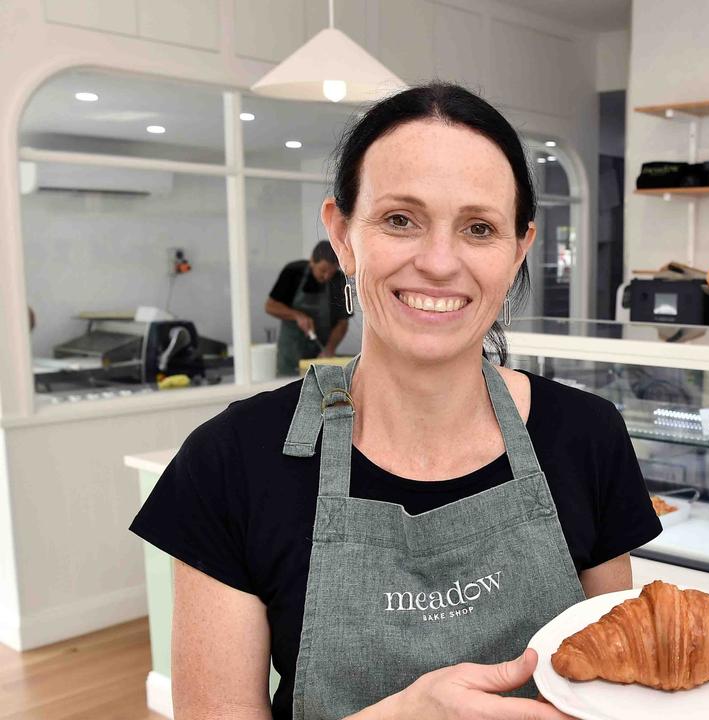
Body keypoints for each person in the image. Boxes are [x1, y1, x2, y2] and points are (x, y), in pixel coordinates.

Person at [130, 83, 662, 720]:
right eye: (400, 220)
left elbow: (620, 692)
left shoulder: (587, 436)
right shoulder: (231, 461)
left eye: (479, 228)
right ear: (343, 235)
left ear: (519, 247)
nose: (439, 262)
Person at [266, 241, 353, 375]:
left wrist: (329, 349)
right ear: (312, 261)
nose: (326, 276)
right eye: (323, 270)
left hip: (321, 355)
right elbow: (270, 306)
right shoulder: (293, 272)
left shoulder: (340, 281)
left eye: (331, 272)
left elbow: (343, 323)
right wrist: (297, 315)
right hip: (290, 355)